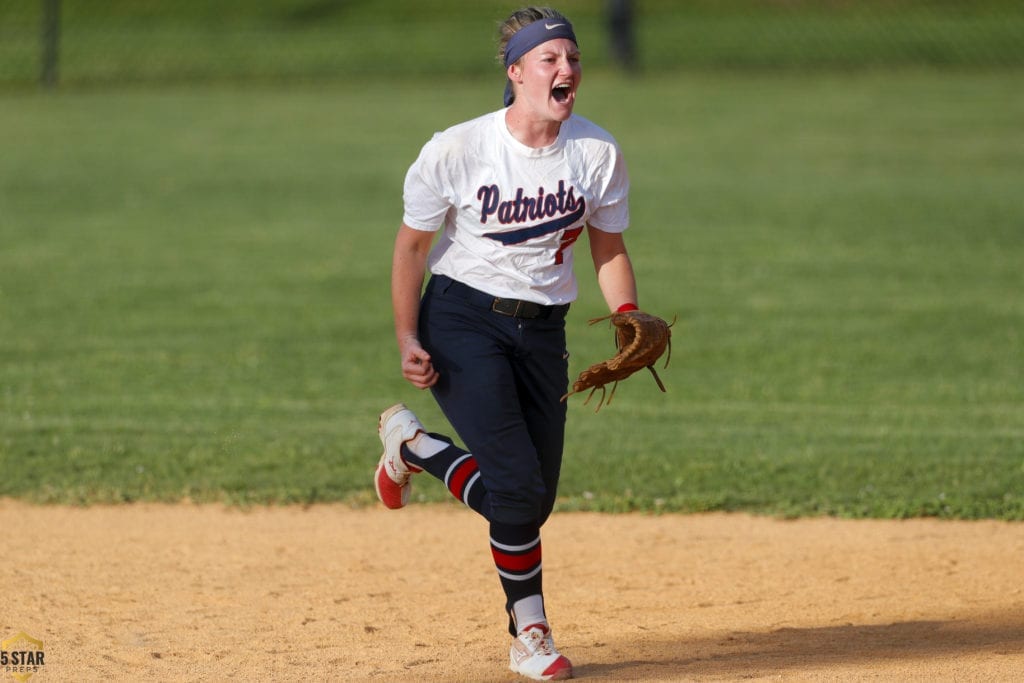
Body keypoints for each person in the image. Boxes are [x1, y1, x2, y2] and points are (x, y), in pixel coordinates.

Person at [376, 6, 642, 680]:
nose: (567, 69)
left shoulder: (595, 153)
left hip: (543, 330)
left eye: (573, 58)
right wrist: (408, 333)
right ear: (516, 71)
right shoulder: (459, 148)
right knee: (518, 489)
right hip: (463, 319)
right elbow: (412, 248)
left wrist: (629, 314)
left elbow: (609, 249)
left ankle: (413, 446)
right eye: (550, 58)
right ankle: (530, 631)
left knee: (530, 499)